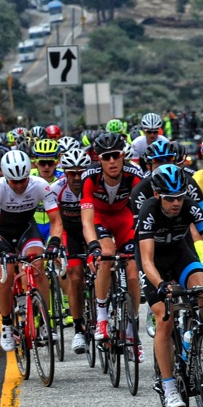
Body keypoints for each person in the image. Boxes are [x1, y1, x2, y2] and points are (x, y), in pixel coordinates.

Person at [137, 164, 203, 407]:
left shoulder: (189, 206)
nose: (176, 203)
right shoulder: (149, 211)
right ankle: (169, 386)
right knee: (165, 318)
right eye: (170, 198)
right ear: (157, 195)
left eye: (180, 197)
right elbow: (147, 261)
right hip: (154, 264)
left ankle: (196, 338)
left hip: (179, 254)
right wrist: (161, 285)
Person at [0, 149, 63, 353]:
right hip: (1, 234)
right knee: (5, 274)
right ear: (5, 176)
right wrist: (0, 247)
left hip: (26, 230)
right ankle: (6, 324)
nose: (19, 185)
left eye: (23, 180)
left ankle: (44, 321)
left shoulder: (40, 185)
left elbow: (56, 221)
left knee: (38, 266)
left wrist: (54, 243)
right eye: (14, 181)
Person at [80, 132, 144, 350]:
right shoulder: (90, 177)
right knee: (106, 255)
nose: (112, 161)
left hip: (123, 218)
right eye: (106, 157)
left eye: (115, 155)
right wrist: (93, 246)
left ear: (123, 155)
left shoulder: (134, 175)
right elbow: (87, 221)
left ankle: (131, 329)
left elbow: (142, 213)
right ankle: (102, 318)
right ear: (99, 159)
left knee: (133, 273)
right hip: (99, 218)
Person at [52, 148, 89, 353]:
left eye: (81, 173)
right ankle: (78, 329)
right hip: (69, 233)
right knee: (75, 276)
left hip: (91, 231)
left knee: (105, 264)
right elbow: (55, 222)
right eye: (72, 173)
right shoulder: (56, 189)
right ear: (65, 173)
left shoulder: (93, 186)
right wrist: (57, 246)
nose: (77, 178)